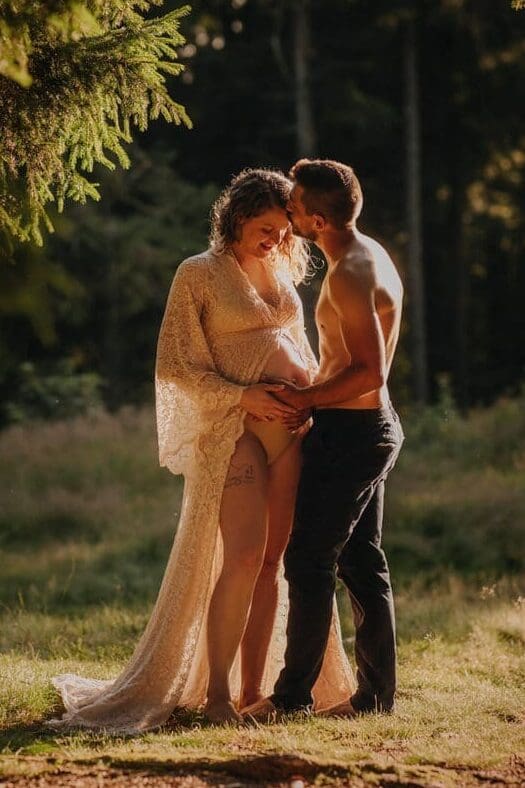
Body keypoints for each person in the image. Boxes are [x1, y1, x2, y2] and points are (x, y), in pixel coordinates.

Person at [49, 168, 354, 733]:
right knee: (240, 558)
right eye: (265, 228)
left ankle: (254, 692)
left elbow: (295, 345)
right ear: (237, 218)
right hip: (233, 431)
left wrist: (307, 395)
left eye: (283, 231)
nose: (276, 240)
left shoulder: (279, 272)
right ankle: (216, 693)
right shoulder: (198, 274)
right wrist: (245, 395)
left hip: (290, 430)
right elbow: (175, 365)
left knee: (273, 564)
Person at [244, 158, 404, 722]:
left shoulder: (352, 273)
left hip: (355, 432)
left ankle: (289, 700)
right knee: (362, 561)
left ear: (315, 219)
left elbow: (369, 371)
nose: (286, 211)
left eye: (293, 207)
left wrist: (303, 400)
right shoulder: (368, 252)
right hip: (363, 426)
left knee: (309, 559)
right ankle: (376, 697)